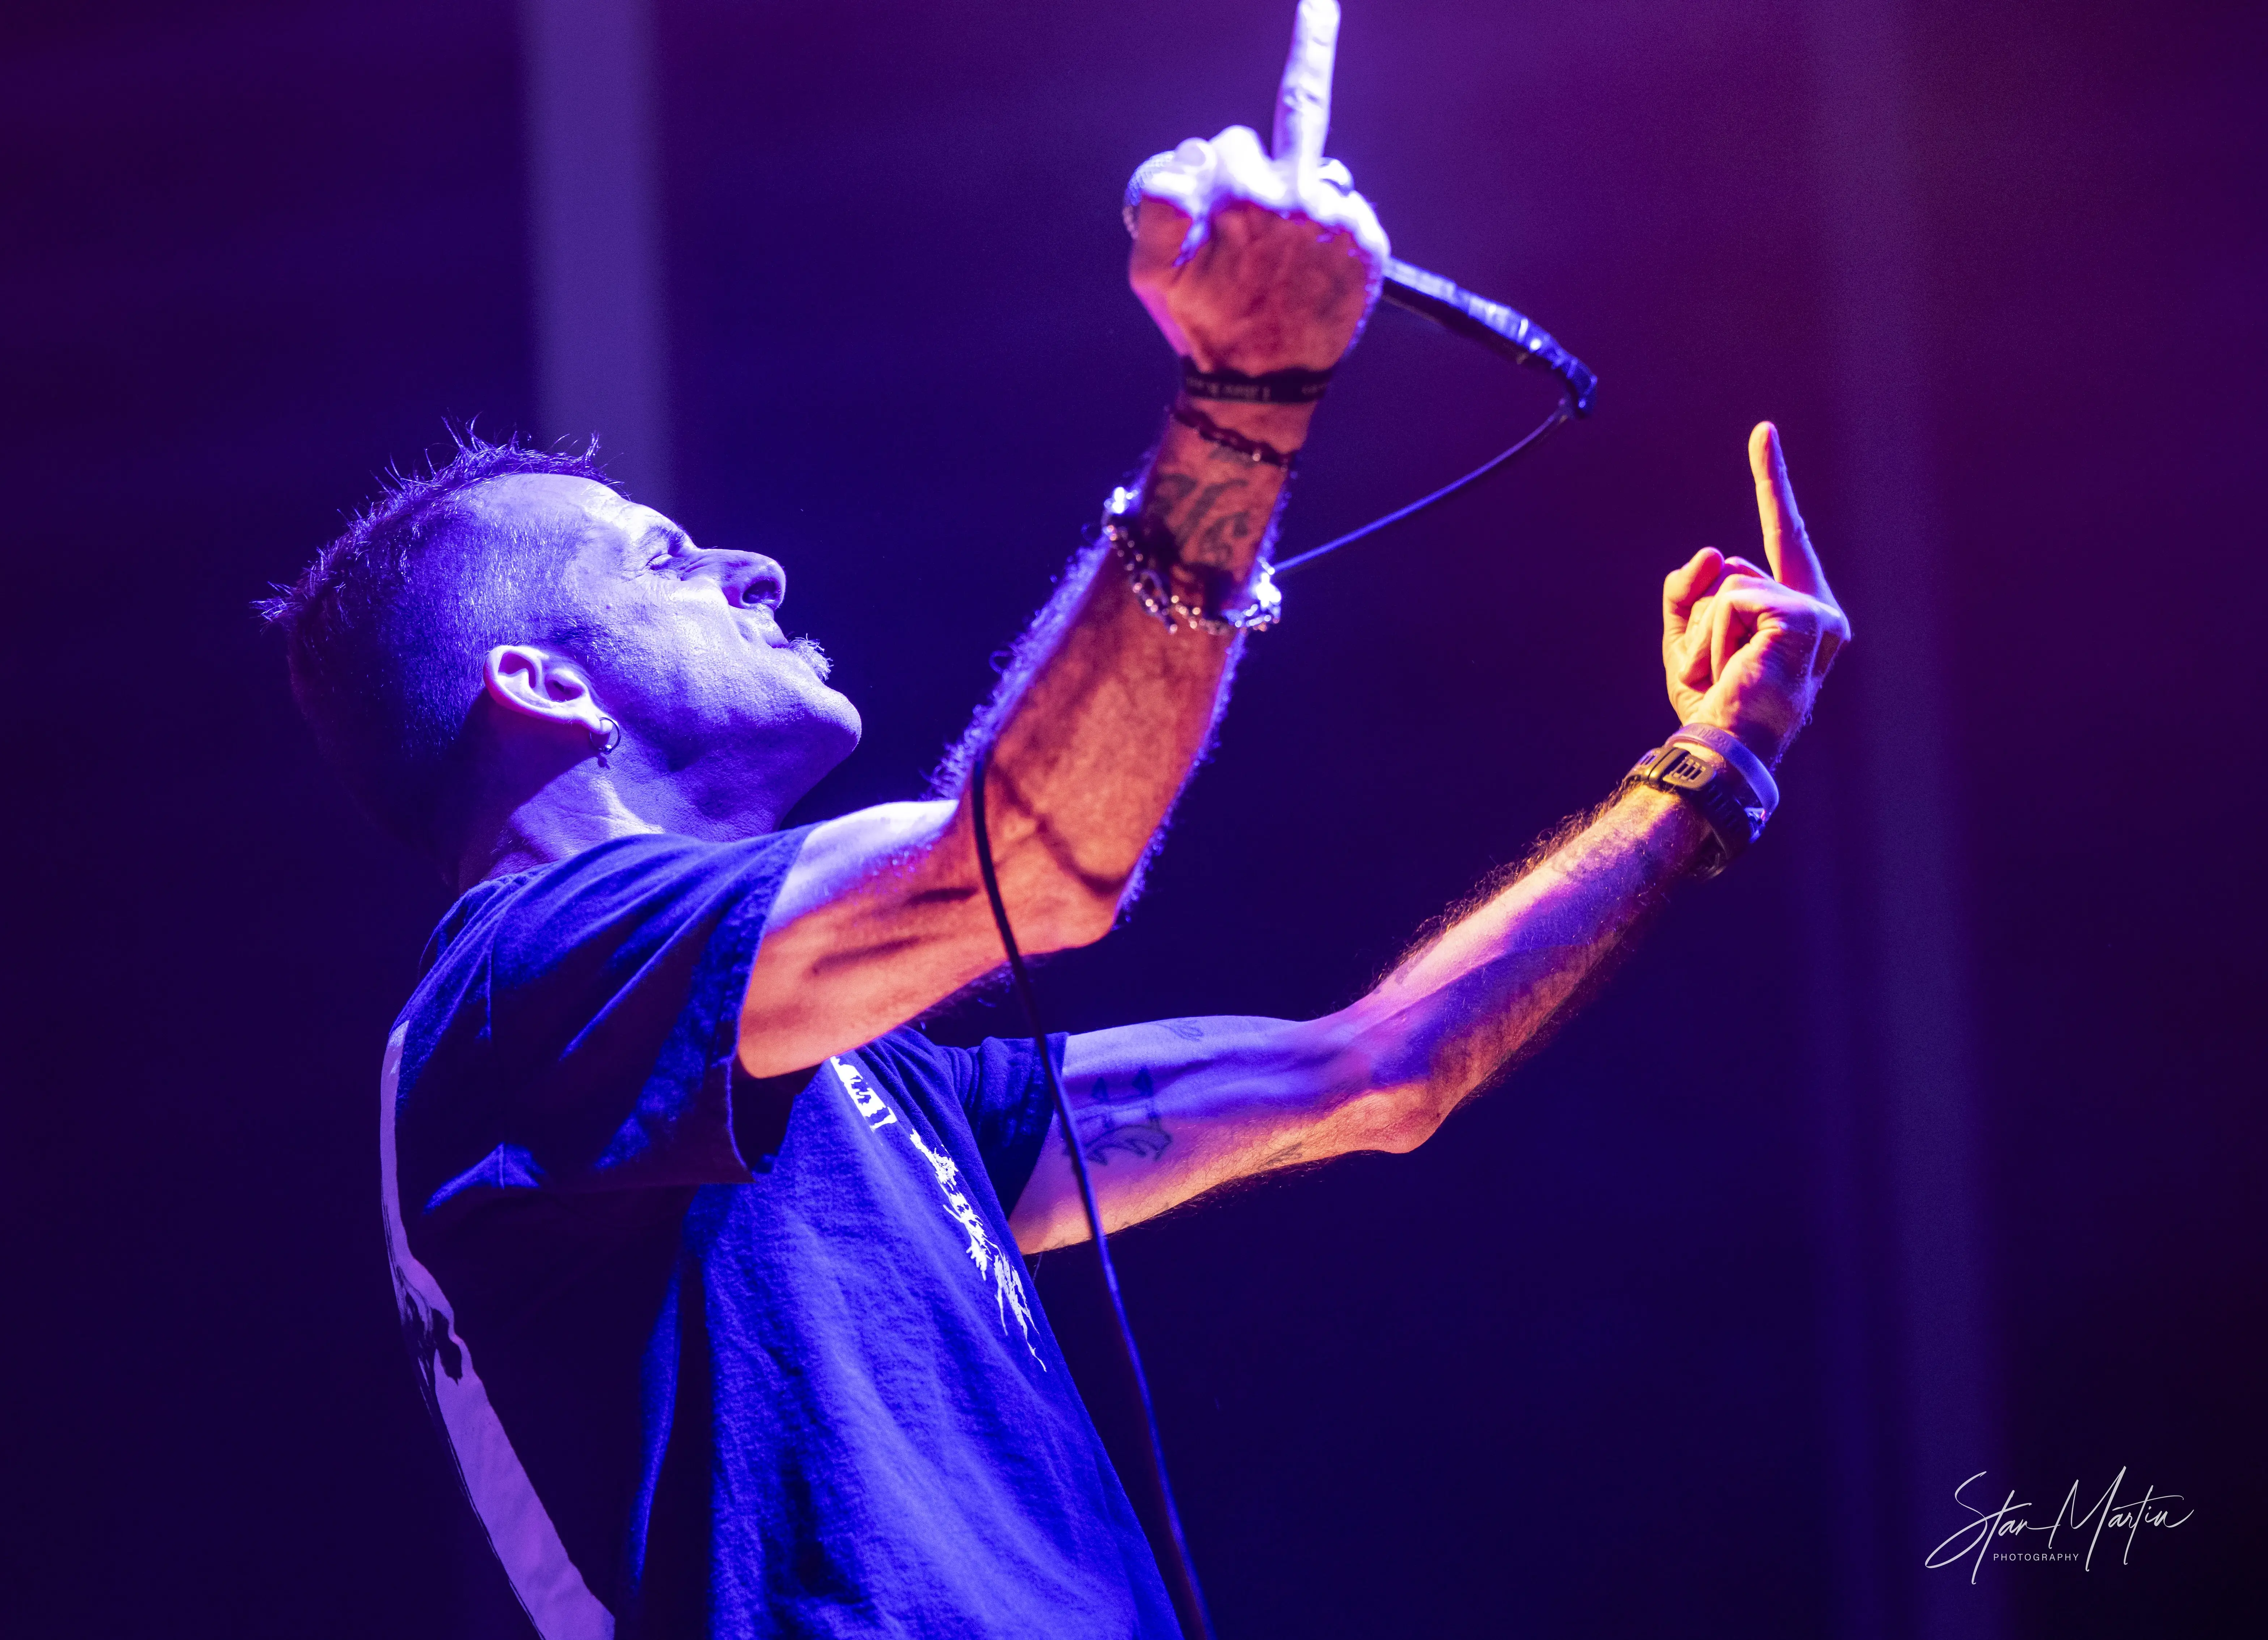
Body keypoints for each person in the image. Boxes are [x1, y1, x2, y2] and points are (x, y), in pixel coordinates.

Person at [260, 4, 1848, 1634]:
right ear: (541, 684)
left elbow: (1373, 1073)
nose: (756, 571)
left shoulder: (856, 1084)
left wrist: (1712, 766)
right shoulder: (520, 988)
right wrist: (1242, 399)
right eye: (665, 560)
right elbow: (1020, 868)